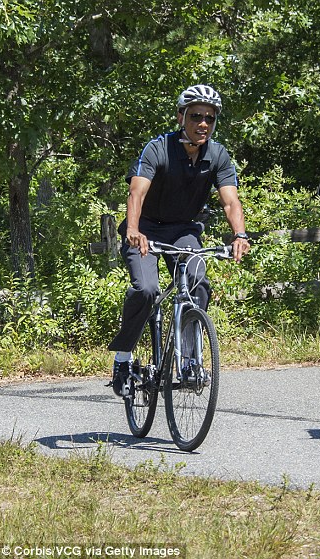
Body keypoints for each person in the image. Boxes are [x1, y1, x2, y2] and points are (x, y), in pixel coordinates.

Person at [107, 84, 250, 397]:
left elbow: (230, 202)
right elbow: (137, 192)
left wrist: (239, 234)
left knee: (198, 282)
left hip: (183, 229)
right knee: (146, 290)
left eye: (209, 119)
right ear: (181, 117)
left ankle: (189, 360)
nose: (203, 124)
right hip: (144, 227)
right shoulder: (158, 148)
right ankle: (123, 357)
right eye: (196, 116)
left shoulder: (218, 155)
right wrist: (133, 229)